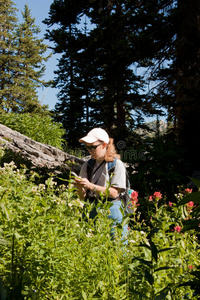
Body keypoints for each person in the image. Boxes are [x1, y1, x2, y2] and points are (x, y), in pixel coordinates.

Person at [74, 128, 128, 242]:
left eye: (93, 147)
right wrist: (79, 187)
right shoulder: (87, 165)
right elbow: (81, 197)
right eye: (87, 147)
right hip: (90, 209)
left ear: (104, 145)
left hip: (111, 209)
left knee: (117, 247)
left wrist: (90, 186)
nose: (89, 150)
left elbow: (114, 193)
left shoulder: (116, 165)